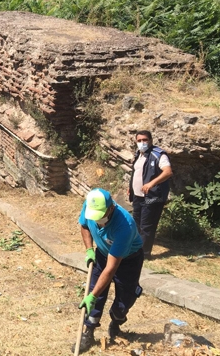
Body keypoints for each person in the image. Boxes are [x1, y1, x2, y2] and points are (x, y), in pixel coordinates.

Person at [75, 188, 144, 353]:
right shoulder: (90, 206)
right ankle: (89, 332)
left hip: (128, 260)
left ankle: (116, 322)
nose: (97, 219)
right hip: (102, 253)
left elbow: (111, 268)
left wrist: (92, 296)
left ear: (111, 207)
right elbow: (84, 226)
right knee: (95, 292)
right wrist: (89, 249)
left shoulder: (124, 226)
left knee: (124, 299)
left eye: (100, 215)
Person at [128, 130, 173, 258]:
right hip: (138, 195)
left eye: (145, 140)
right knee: (136, 223)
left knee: (147, 225)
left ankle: (144, 254)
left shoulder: (159, 155)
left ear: (151, 140)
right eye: (139, 140)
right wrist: (130, 187)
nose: (142, 143)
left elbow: (168, 172)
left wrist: (151, 184)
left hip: (153, 196)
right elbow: (136, 173)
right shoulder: (139, 154)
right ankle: (134, 249)